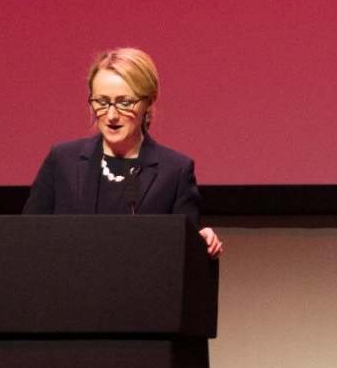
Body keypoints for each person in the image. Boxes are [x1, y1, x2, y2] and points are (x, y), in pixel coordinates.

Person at [24, 47, 224, 257]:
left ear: (148, 101)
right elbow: (27, 236)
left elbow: (185, 251)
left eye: (124, 102)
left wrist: (201, 242)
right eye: (101, 102)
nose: (111, 115)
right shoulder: (62, 161)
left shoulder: (175, 171)